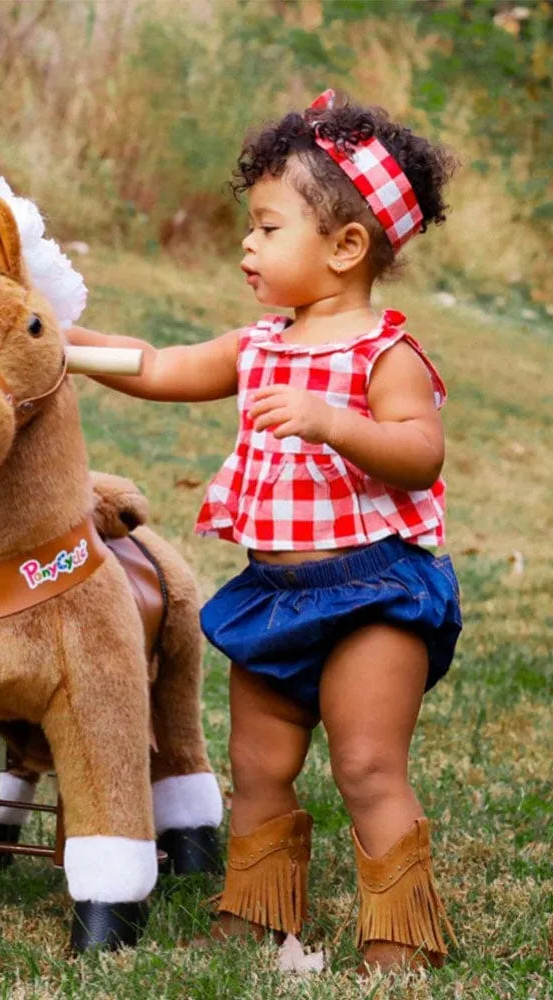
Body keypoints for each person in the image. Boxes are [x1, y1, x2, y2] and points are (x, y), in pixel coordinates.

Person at [67, 90, 461, 973]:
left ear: (347, 246)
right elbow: (162, 365)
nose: (247, 244)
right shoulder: (257, 346)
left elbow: (419, 452)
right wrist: (61, 338)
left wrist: (332, 421)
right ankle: (255, 911)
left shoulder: (383, 355)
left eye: (267, 227)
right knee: (260, 764)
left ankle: (400, 940)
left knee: (365, 765)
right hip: (276, 596)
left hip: (373, 594)